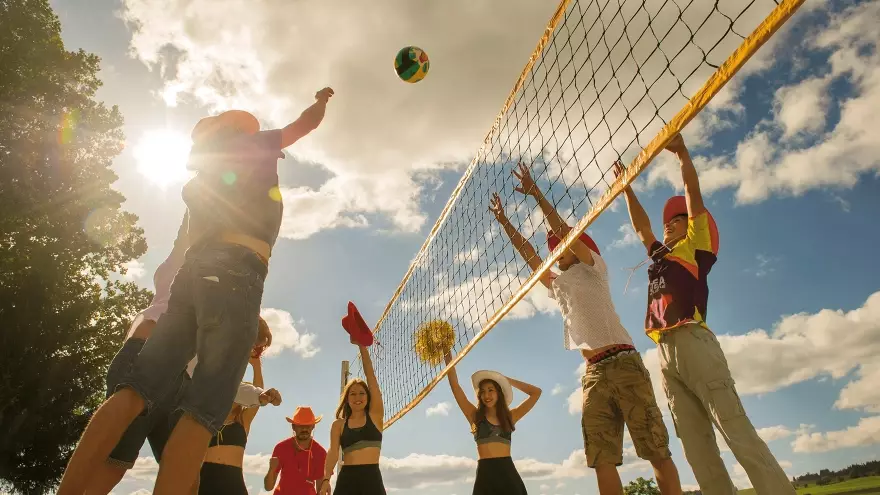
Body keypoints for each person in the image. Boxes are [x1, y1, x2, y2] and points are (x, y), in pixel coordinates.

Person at [58, 87, 335, 495]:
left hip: (193, 276)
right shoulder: (250, 145)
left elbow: (192, 245)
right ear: (233, 129)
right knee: (202, 412)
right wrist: (321, 101)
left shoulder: (199, 180)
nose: (254, 124)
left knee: (134, 391)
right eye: (247, 120)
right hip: (238, 272)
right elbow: (303, 125)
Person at [488, 163, 682, 494]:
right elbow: (528, 254)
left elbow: (564, 231)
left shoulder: (594, 268)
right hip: (592, 373)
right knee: (600, 457)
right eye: (554, 248)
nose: (556, 250)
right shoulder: (558, 284)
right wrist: (505, 221)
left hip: (622, 362)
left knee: (654, 448)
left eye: (560, 246)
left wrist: (536, 194)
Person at [617, 134, 794, 495]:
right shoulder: (661, 256)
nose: (671, 222)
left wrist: (682, 154)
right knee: (697, 450)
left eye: (677, 219)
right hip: (665, 353)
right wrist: (625, 188)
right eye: (669, 220)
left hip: (693, 340)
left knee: (735, 431)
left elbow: (693, 197)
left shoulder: (696, 248)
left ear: (692, 225)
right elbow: (641, 228)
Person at [85, 213, 281, 495]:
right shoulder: (186, 273)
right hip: (145, 362)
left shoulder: (217, 338)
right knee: (114, 464)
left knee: (187, 478)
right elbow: (186, 234)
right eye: (254, 343)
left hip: (176, 391)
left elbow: (226, 384)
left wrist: (257, 395)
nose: (250, 350)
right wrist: (206, 197)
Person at [198, 318, 278, 495]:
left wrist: (256, 365)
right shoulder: (206, 416)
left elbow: (258, 397)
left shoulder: (242, 420)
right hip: (203, 481)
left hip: (234, 483)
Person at [443, 352, 541, 495]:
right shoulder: (475, 417)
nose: (486, 395)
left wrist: (506, 380)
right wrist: (447, 356)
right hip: (485, 476)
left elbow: (536, 393)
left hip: (508, 475)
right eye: (482, 392)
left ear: (499, 393)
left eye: (491, 390)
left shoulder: (510, 417)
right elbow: (455, 386)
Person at [320, 302, 385, 495]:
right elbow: (333, 453)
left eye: (362, 393)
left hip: (372, 478)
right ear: (346, 399)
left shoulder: (375, 415)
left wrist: (361, 346)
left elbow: (371, 378)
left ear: (368, 397)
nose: (358, 397)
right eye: (353, 394)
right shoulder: (338, 425)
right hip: (347, 479)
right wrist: (325, 478)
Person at [264, 406, 328, 495]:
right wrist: (271, 470)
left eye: (308, 425)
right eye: (300, 426)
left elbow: (320, 490)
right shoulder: (281, 448)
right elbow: (268, 487)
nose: (304, 429)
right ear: (293, 427)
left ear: (313, 426)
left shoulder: (320, 453)